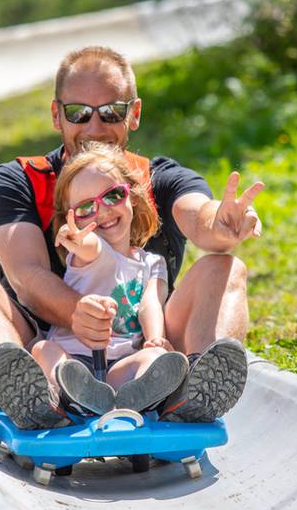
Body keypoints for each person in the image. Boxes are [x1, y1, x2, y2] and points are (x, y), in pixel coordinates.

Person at [0, 45, 264, 430]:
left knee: (226, 267)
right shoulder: (16, 182)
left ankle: (188, 393)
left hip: (136, 348)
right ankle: (29, 396)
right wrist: (78, 313)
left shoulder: (159, 179)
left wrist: (221, 224)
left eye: (111, 112)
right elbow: (26, 278)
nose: (94, 128)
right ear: (56, 115)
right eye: (79, 113)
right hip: (35, 346)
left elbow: (198, 213)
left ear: (135, 115)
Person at [21, 142, 189, 420]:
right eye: (86, 208)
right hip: (73, 361)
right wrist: (77, 238)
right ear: (71, 219)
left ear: (132, 196)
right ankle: (65, 397)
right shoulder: (89, 253)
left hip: (122, 363)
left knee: (155, 360)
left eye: (113, 196)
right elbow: (92, 247)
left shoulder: (153, 262)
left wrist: (155, 338)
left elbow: (151, 303)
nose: (102, 212)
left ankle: (135, 399)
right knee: (43, 350)